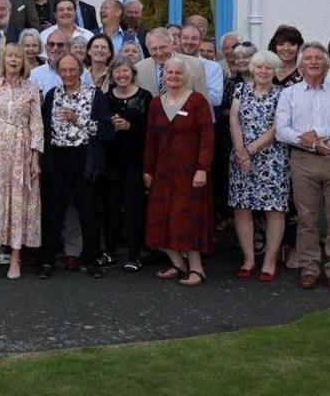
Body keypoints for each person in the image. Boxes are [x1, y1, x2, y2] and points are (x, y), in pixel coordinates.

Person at [275, 43, 330, 291]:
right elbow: (281, 131)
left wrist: (318, 134)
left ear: (326, 64)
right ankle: (309, 269)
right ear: (300, 66)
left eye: (318, 59)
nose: (313, 62)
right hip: (303, 161)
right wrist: (311, 144)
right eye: (308, 58)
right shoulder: (289, 94)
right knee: (307, 219)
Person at [38, 53, 113, 279]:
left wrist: (77, 119)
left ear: (81, 71)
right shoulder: (52, 95)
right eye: (64, 70)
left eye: (73, 70)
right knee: (52, 212)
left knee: (88, 212)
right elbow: (44, 129)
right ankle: (47, 261)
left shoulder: (94, 95)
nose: (68, 74)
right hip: (58, 159)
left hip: (84, 158)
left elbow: (106, 131)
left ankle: (91, 259)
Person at [144, 58, 215, 287]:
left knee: (188, 218)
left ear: (186, 76)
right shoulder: (156, 103)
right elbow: (150, 140)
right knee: (160, 216)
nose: (173, 76)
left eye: (178, 72)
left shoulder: (197, 102)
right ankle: (177, 263)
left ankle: (197, 268)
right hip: (163, 172)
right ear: (163, 76)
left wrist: (202, 169)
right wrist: (147, 169)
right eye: (169, 72)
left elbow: (207, 138)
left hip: (190, 172)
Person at [0, 43, 42, 280]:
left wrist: (35, 157)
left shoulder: (31, 89)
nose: (13, 60)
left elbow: (37, 124)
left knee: (18, 204)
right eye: (10, 56)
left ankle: (15, 259)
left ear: (24, 62)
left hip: (21, 150)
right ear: (4, 60)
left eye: (18, 57)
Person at [228, 50, 289, 283]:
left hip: (272, 158)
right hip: (240, 156)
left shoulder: (282, 94)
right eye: (260, 67)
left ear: (275, 71)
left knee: (274, 209)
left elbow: (278, 128)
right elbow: (234, 119)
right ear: (252, 68)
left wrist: (251, 150)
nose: (263, 71)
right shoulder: (240, 90)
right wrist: (241, 150)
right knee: (242, 207)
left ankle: (270, 262)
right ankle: (249, 259)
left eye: (269, 68)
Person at [103, 57, 153, 272]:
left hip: (135, 161)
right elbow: (99, 127)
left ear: (132, 73)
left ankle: (134, 254)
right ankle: (110, 251)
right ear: (112, 75)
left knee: (134, 209)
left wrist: (131, 125)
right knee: (110, 208)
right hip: (111, 161)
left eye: (125, 71)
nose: (121, 75)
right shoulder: (105, 97)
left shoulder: (145, 96)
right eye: (117, 72)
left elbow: (151, 131)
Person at [134, 28, 209, 100]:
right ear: (148, 49)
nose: (159, 53)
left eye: (163, 47)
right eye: (154, 49)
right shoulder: (139, 68)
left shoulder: (195, 65)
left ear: (172, 44)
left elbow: (203, 101)